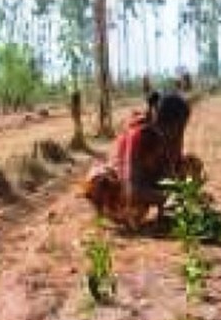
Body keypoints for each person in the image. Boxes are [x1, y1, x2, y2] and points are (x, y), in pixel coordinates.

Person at [81, 91, 192, 228]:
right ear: (163, 123)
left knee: (191, 165)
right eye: (177, 128)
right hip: (123, 187)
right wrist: (167, 198)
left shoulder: (172, 134)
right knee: (134, 210)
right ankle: (108, 210)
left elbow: (171, 169)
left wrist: (183, 195)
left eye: (182, 127)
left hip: (147, 179)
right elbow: (132, 191)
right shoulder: (137, 135)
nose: (180, 133)